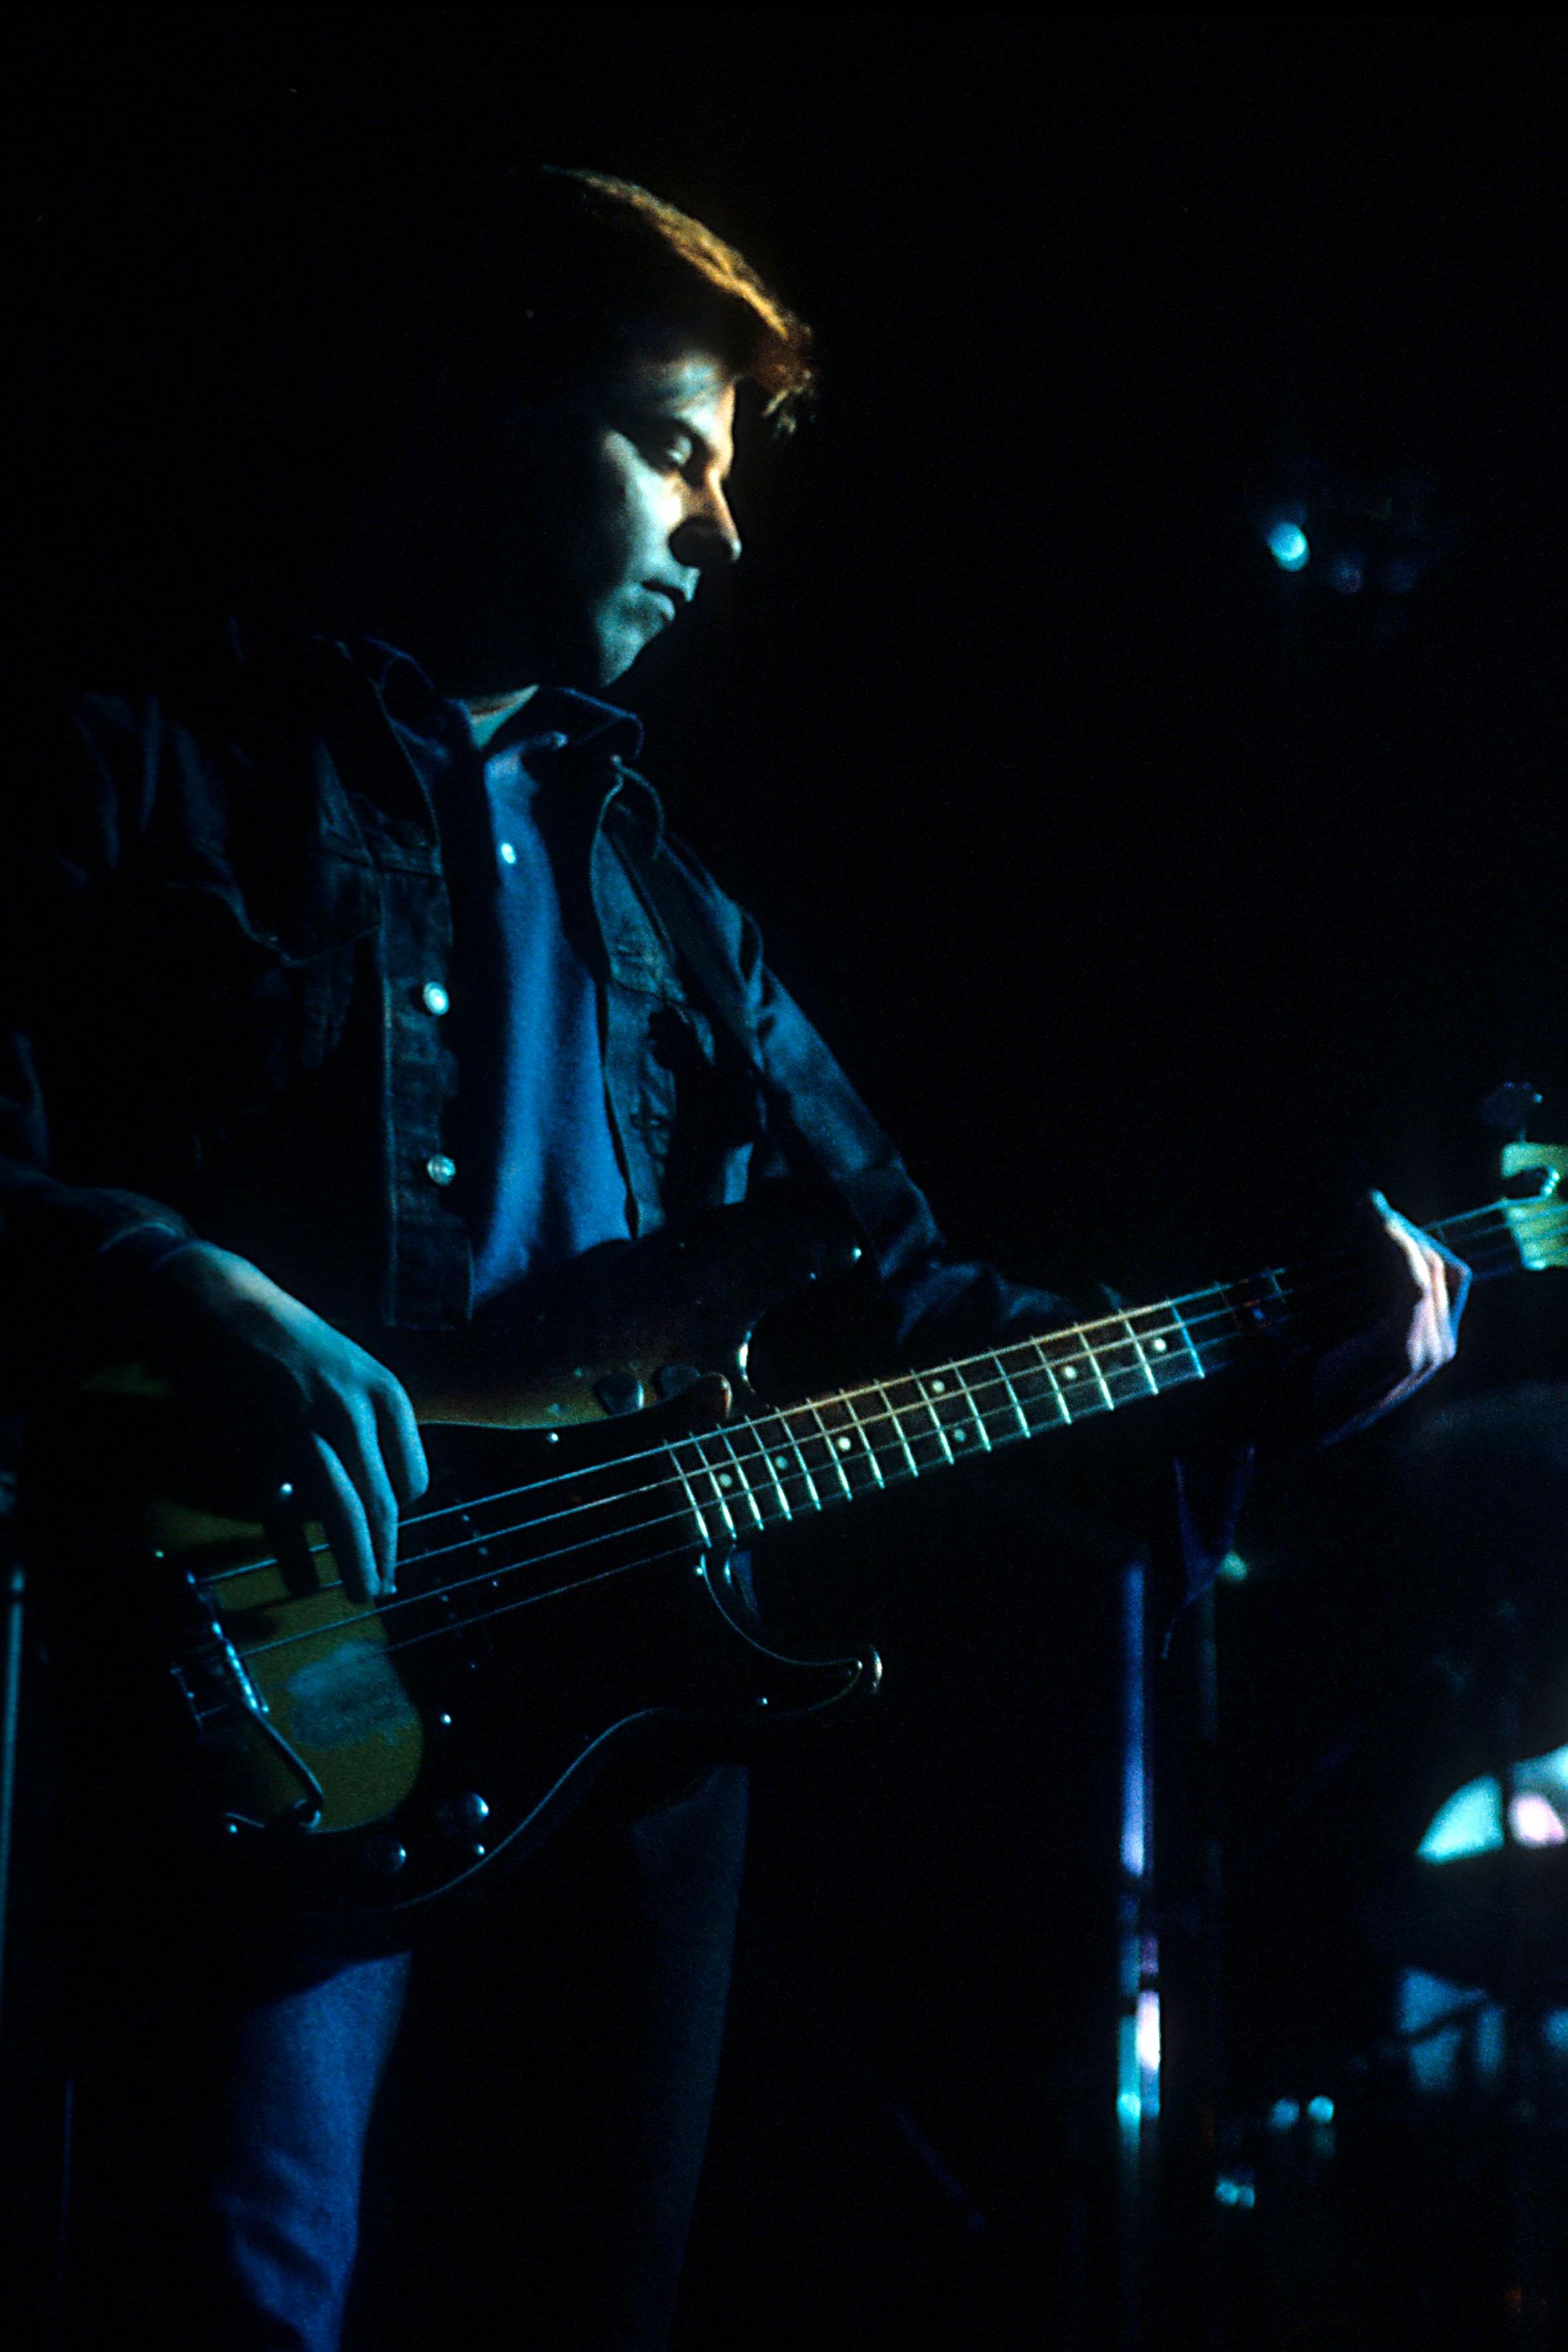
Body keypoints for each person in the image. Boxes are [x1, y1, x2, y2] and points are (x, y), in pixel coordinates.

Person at [0, 169, 1466, 2351]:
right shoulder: (151, 761)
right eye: (670, 446)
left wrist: (1280, 1343)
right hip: (249, 1701)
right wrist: (168, 1280)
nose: (722, 530)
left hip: (624, 1755)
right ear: (492, 402)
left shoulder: (675, 911)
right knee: (235, 2296)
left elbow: (902, 1305)